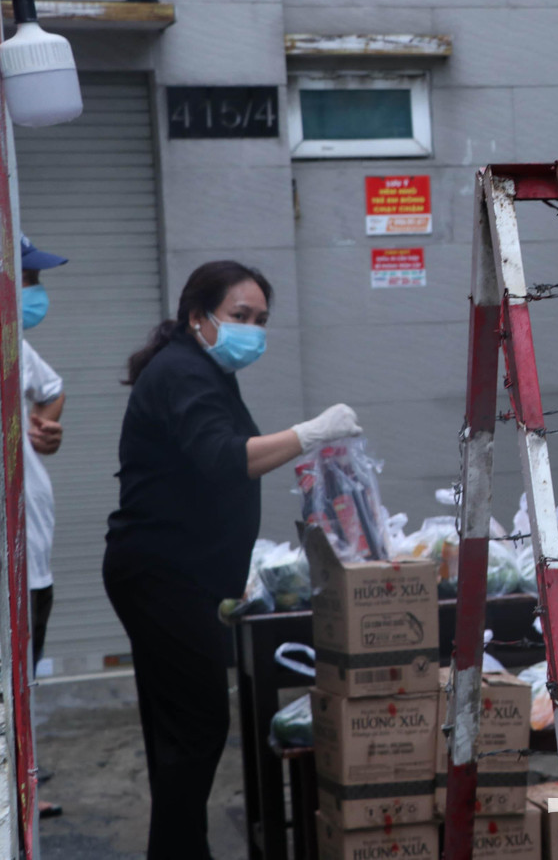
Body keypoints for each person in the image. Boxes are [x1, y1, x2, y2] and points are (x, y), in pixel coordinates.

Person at [103, 261, 362, 859]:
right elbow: (226, 458)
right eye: (240, 316)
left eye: (261, 320)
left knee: (179, 732)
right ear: (199, 318)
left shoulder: (203, 371)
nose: (253, 329)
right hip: (162, 576)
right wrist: (312, 432)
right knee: (194, 730)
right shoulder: (182, 373)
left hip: (178, 573)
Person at [20, 235, 68, 820]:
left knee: (25, 677)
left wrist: (43, 430)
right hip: (7, 560)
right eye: (29, 278)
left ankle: (24, 778)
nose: (37, 291)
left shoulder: (14, 346)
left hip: (34, 550)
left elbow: (53, 392)